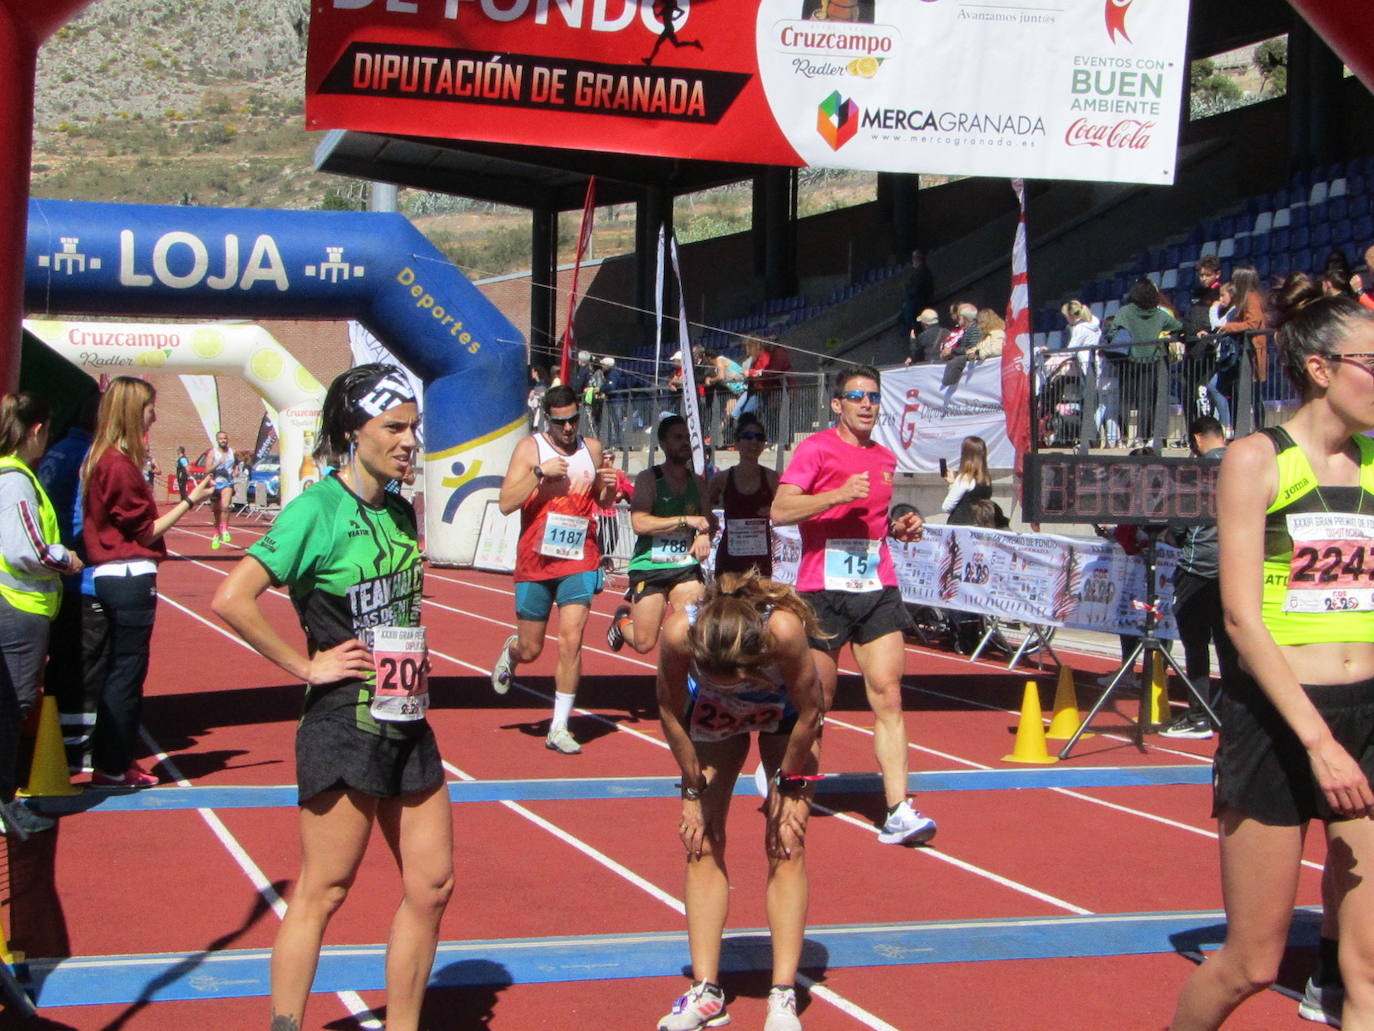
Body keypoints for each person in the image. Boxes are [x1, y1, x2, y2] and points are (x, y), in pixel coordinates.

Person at [212, 364, 451, 1031]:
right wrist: (304, 664)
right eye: (394, 428)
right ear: (354, 431)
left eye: (414, 428)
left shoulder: (401, 509)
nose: (409, 441)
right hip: (345, 721)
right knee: (325, 889)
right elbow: (231, 598)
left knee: (432, 886)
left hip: (409, 719)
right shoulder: (315, 510)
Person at [1167, 275, 1374, 1031]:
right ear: (1320, 367)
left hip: (1367, 715)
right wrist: (1317, 742)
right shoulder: (1259, 459)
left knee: (1367, 964)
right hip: (1282, 723)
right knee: (1252, 962)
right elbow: (1241, 620)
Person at [770, 365, 935, 846]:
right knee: (816, 705)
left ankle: (898, 810)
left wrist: (902, 524)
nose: (867, 404)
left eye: (874, 397)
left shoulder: (885, 458)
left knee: (889, 695)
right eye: (856, 396)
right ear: (836, 404)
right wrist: (836, 495)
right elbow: (781, 510)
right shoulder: (815, 449)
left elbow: (877, 519)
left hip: (876, 587)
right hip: (822, 591)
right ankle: (793, 783)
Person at [654, 572, 824, 1031]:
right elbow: (668, 710)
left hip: (785, 715)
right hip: (713, 720)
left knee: (787, 839)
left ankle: (783, 994)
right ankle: (707, 991)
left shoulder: (782, 631)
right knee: (700, 841)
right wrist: (691, 790)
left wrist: (788, 783)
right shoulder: (678, 633)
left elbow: (812, 709)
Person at [83, 378, 213, 788]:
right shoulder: (117, 465)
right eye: (149, 407)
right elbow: (144, 531)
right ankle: (113, 763)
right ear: (131, 411)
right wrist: (192, 501)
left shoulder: (104, 459)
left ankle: (114, 758)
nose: (155, 415)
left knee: (121, 672)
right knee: (127, 673)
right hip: (128, 575)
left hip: (115, 573)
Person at [490, 385, 618, 754]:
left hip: (579, 556)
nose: (567, 428)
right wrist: (537, 473)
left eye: (573, 420)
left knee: (572, 639)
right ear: (548, 419)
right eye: (560, 422)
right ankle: (512, 653)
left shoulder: (590, 449)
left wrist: (607, 487)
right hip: (536, 558)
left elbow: (602, 501)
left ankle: (559, 725)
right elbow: (506, 503)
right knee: (532, 648)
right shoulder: (530, 449)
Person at [0, 393, 82, 836]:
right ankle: (3, 799)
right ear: (35, 430)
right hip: (18, 603)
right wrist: (64, 557)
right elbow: (26, 548)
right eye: (46, 432)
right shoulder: (15, 479)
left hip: (15, 602)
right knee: (12, 704)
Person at [37, 393, 106, 776]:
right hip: (77, 570)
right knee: (83, 662)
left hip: (56, 568)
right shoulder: (86, 458)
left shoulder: (61, 449)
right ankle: (77, 747)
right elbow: (82, 520)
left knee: (64, 660)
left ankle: (58, 734)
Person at [606, 416, 710, 655]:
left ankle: (687, 686)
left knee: (695, 631)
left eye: (687, 437)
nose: (684, 443)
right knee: (644, 643)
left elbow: (708, 522)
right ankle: (622, 623)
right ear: (663, 443)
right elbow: (639, 523)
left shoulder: (697, 482)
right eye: (677, 437)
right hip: (649, 566)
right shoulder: (649, 478)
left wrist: (704, 535)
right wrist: (684, 520)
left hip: (685, 566)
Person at [1159, 417, 1234, 740]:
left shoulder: (1195, 473)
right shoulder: (1245, 465)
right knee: (1232, 645)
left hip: (1198, 566)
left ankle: (1198, 715)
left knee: (1196, 644)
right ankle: (1232, 713)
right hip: (1237, 567)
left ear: (1198, 439)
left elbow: (1178, 522)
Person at [1110, 277, 1183, 446]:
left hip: (1129, 361)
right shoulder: (1158, 314)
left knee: (1126, 400)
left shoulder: (1125, 312)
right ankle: (1144, 436)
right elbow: (1178, 326)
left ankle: (1124, 437)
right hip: (1152, 360)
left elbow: (1112, 332)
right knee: (1146, 400)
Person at [707, 415, 778, 580]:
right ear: (737, 443)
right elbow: (704, 507)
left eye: (759, 438)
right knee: (727, 603)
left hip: (759, 555)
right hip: (731, 554)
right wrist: (709, 526)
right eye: (748, 437)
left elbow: (785, 509)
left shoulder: (771, 477)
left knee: (757, 603)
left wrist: (772, 510)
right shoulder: (722, 478)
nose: (754, 442)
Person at [1215, 265, 1269, 433]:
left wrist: (1230, 327)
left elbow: (1253, 323)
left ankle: (1258, 428)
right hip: (1246, 352)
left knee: (1255, 395)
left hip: (1252, 352)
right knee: (1245, 392)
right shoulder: (1245, 299)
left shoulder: (1251, 298)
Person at [940, 435, 993, 526]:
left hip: (961, 528)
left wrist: (953, 485)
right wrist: (953, 483)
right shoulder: (987, 480)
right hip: (980, 526)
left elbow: (946, 507)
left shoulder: (965, 478)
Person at [207, 430, 238, 549]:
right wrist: (217, 463)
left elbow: (237, 462)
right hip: (215, 483)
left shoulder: (232, 452)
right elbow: (207, 470)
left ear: (227, 439)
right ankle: (216, 533)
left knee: (225, 506)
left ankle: (224, 528)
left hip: (227, 483)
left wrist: (236, 469)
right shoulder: (212, 453)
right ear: (217, 440)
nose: (223, 440)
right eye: (220, 439)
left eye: (225, 438)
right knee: (216, 511)